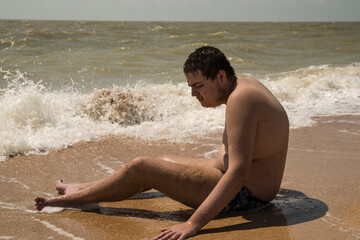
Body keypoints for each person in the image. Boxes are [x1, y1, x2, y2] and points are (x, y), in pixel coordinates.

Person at [34, 46, 289, 240]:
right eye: (190, 87)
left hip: (246, 196)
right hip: (240, 183)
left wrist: (194, 224)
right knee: (161, 162)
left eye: (198, 86)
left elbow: (239, 172)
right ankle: (83, 189)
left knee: (143, 167)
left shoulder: (241, 100)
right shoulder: (243, 87)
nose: (193, 94)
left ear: (221, 76)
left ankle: (74, 200)